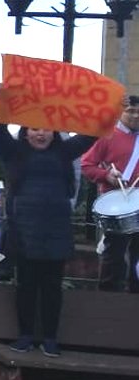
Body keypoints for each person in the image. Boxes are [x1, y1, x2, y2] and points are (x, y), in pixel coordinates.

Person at [0, 115, 96, 357]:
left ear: (55, 132)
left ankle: (50, 338)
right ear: (25, 132)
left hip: (56, 233)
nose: (41, 133)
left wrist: (110, 107)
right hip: (24, 232)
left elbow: (91, 132)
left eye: (47, 129)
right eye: (35, 128)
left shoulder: (65, 152)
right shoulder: (14, 152)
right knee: (25, 286)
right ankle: (25, 335)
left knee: (52, 288)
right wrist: (3, 101)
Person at [80, 95, 139, 293]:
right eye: (130, 111)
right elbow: (87, 165)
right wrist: (107, 175)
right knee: (114, 254)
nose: (135, 115)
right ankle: (108, 297)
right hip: (116, 206)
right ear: (121, 112)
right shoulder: (107, 136)